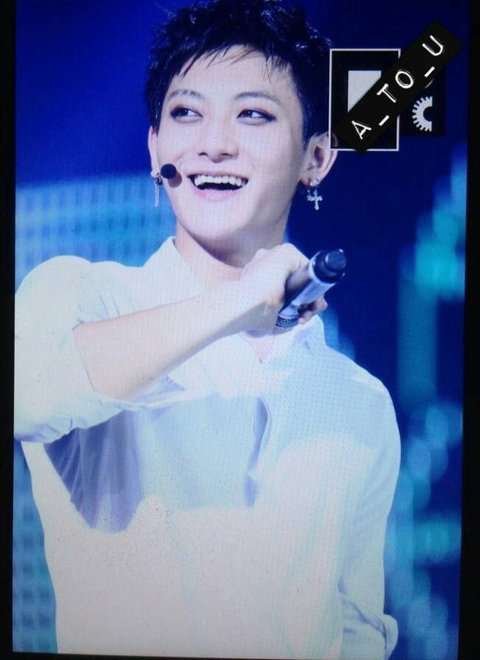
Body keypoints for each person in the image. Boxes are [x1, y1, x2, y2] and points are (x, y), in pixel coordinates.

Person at [14, 0, 400, 657]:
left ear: (315, 157)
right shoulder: (81, 296)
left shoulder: (359, 403)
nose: (213, 143)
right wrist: (238, 302)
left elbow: (357, 628)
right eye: (186, 113)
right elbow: (29, 397)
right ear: (155, 148)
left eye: (253, 114)